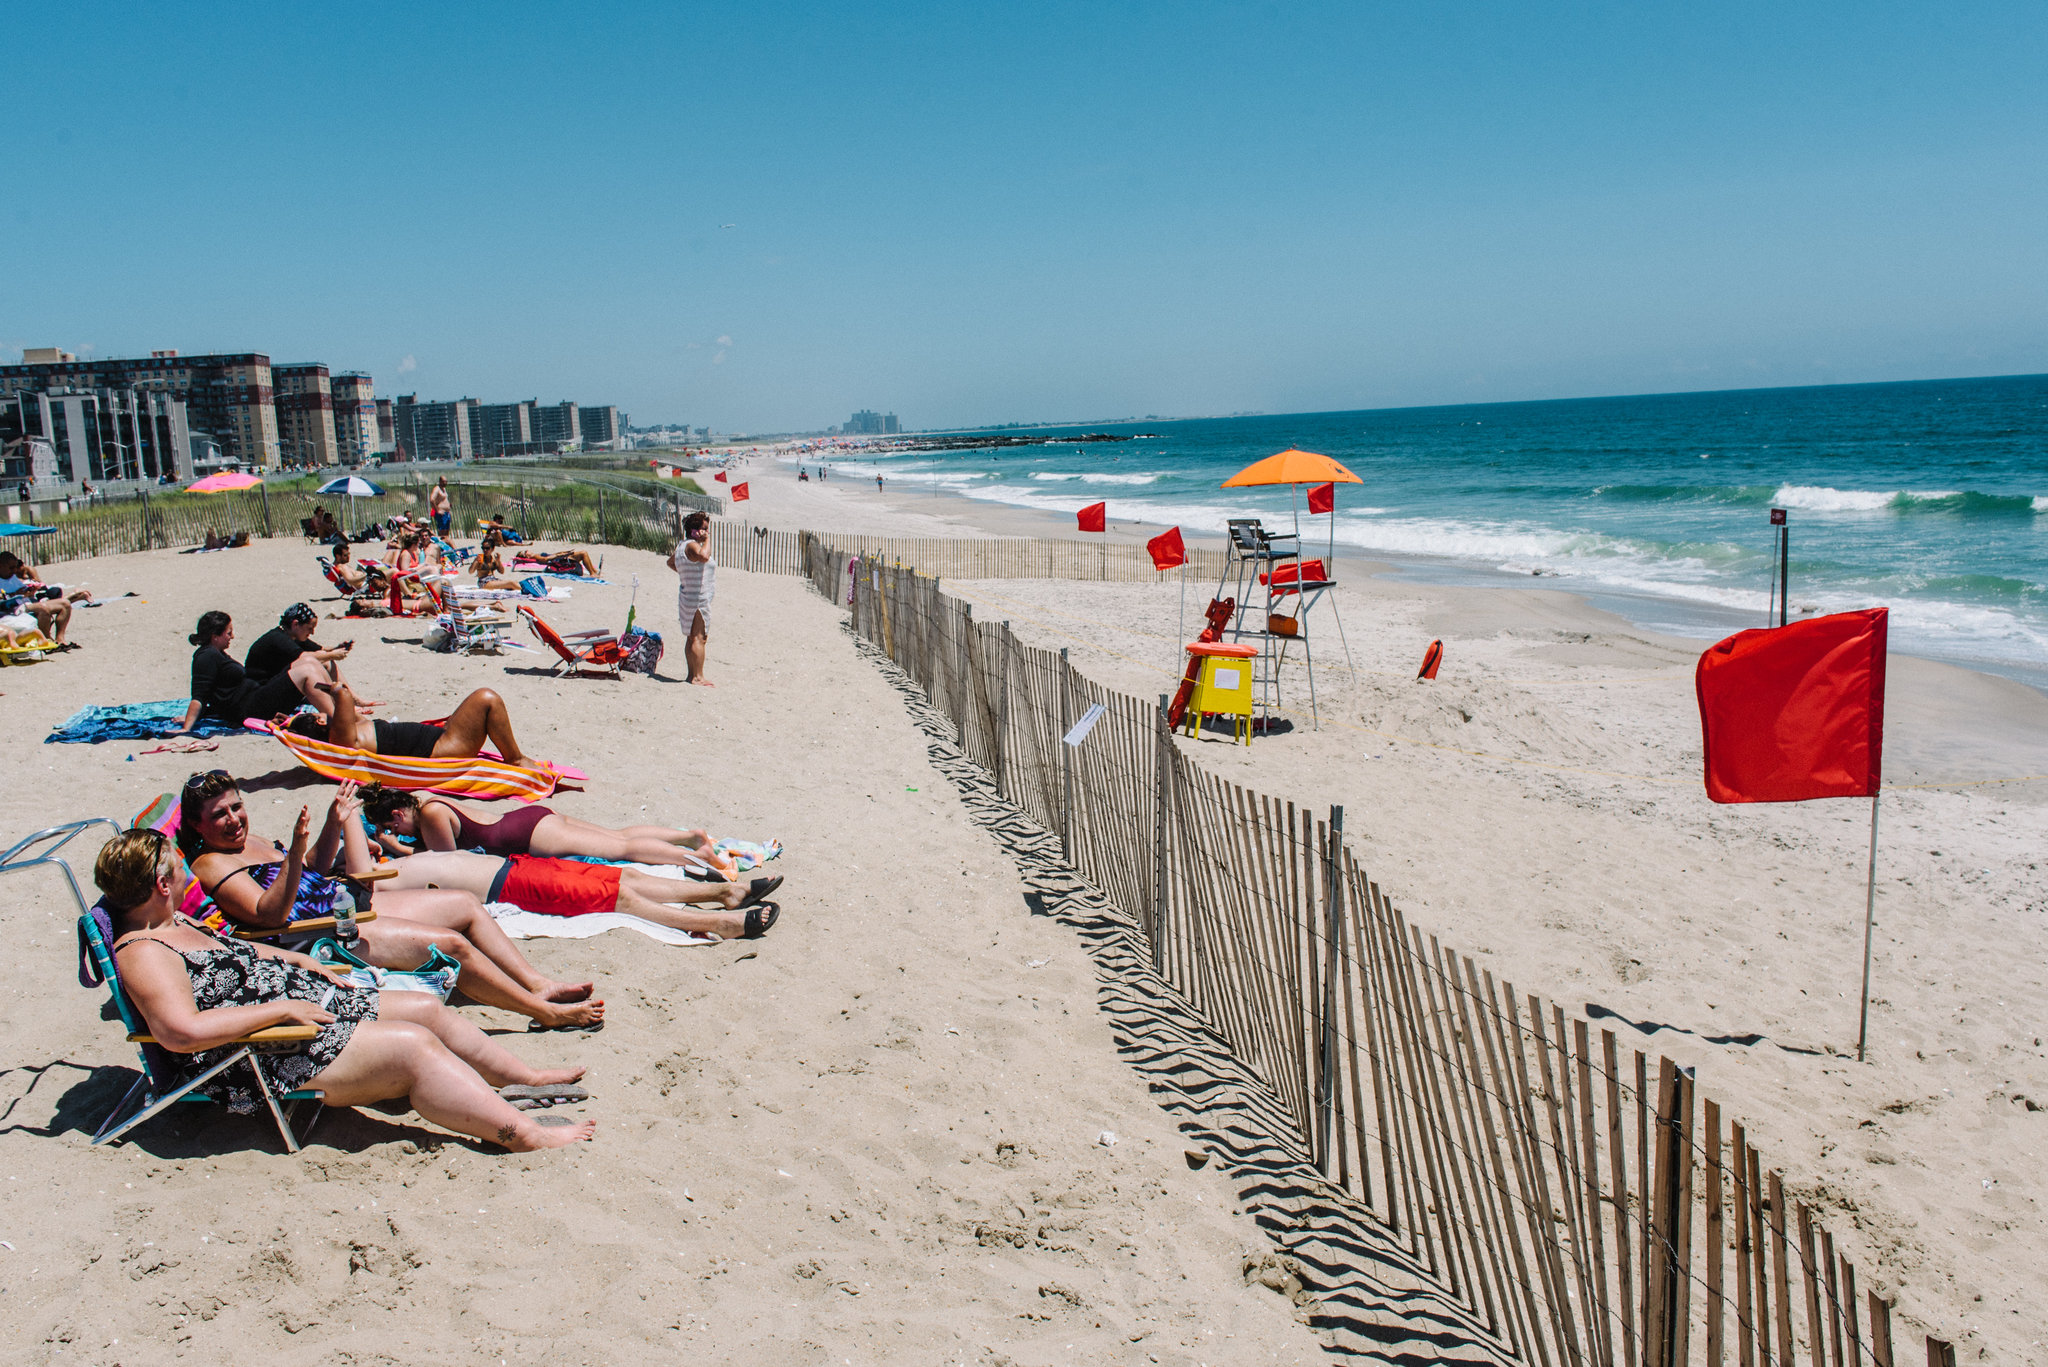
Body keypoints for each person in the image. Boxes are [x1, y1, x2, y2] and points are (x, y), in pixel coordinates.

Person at [95, 827, 595, 1150]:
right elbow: (180, 1033)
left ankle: (524, 1079)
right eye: (177, 868)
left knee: (424, 1009)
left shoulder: (177, 921)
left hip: (300, 1010)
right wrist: (280, 1010)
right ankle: (523, 1135)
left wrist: (295, 961)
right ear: (161, 885)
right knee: (413, 1048)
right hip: (263, 1054)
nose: (185, 875)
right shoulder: (143, 951)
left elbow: (244, 955)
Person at [180, 772, 604, 1030]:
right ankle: (541, 1011)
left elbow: (313, 866)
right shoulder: (210, 864)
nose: (234, 819)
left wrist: (334, 822)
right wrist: (292, 850)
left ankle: (536, 983)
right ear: (198, 825)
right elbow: (267, 913)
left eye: (237, 807)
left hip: (343, 903)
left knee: (464, 905)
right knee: (450, 945)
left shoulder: (247, 841)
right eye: (220, 815)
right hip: (320, 934)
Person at [380, 848, 781, 939]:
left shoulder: (389, 861)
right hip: (509, 886)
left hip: (516, 865)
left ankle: (726, 892)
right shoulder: (372, 883)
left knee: (624, 879)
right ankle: (721, 923)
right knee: (618, 900)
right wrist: (343, 825)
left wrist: (395, 847)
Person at [360, 786, 736, 875]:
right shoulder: (424, 796)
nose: (396, 830)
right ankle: (688, 836)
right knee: (616, 834)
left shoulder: (429, 815)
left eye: (393, 824)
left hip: (526, 835)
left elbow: (446, 862)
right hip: (528, 819)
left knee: (621, 848)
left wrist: (396, 848)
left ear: (398, 812)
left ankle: (698, 856)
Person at [283, 680, 552, 774]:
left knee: (474, 706)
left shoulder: (350, 732)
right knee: (486, 697)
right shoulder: (342, 739)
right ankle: (515, 760)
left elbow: (344, 702)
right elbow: (341, 692)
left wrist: (286, 724)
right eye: (318, 714)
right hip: (445, 748)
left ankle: (517, 757)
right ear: (319, 721)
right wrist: (324, 687)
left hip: (442, 740)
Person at [181, 611, 332, 732]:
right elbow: (199, 695)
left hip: (255, 698)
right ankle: (335, 717)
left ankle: (338, 703)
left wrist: (204, 713)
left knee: (308, 661)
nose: (232, 637)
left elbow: (216, 693)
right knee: (305, 671)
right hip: (251, 708)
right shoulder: (206, 656)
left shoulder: (216, 653)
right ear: (215, 637)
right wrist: (186, 727)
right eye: (228, 633)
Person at [245, 603, 359, 697]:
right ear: (295, 624)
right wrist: (332, 655)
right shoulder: (278, 638)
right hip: (261, 690)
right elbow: (304, 657)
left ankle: (351, 697)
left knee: (325, 661)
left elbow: (322, 650)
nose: (312, 633)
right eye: (309, 628)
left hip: (274, 683)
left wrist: (337, 648)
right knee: (313, 665)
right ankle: (339, 701)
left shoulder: (293, 635)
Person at [667, 509, 715, 686]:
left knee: (691, 637)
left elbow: (671, 562)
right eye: (705, 529)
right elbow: (704, 556)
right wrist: (707, 541)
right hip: (697, 598)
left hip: (687, 595)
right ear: (697, 530)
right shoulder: (693, 546)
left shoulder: (682, 546)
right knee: (699, 638)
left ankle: (691, 675)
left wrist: (687, 572)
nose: (707, 532)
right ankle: (698, 677)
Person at [0, 550, 90, 603]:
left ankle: (76, 595)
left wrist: (28, 590)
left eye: (15, 567)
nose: (15, 570)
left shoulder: (13, 577)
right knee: (52, 603)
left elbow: (36, 581)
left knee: (54, 598)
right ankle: (75, 594)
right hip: (18, 605)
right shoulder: (8, 577)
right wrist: (18, 593)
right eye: (11, 568)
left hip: (27, 599)